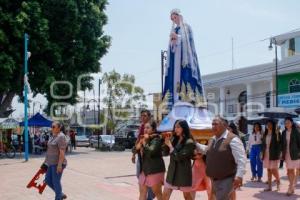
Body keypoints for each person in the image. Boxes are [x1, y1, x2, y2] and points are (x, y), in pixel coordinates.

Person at [196, 116, 247, 200]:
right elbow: (206, 150)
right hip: (214, 179)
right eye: (212, 124)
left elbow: (241, 159)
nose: (213, 127)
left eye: (216, 124)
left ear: (224, 125)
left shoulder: (233, 139)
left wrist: (239, 176)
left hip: (227, 179)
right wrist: (196, 144)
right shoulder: (212, 139)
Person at [162, 9, 204, 108]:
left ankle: (188, 97)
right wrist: (173, 41)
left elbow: (188, 42)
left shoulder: (187, 28)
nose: (174, 20)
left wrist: (178, 37)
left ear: (180, 16)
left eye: (175, 17)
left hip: (185, 60)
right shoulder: (174, 29)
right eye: (172, 19)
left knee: (185, 77)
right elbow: (172, 47)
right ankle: (176, 99)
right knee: (175, 78)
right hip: (176, 59)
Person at [163, 120, 196, 200]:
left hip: (183, 174)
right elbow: (165, 153)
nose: (175, 129)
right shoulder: (175, 140)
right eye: (175, 127)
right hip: (171, 173)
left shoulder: (189, 142)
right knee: (165, 196)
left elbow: (179, 157)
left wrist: (170, 146)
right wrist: (166, 142)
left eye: (178, 127)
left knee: (187, 196)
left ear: (184, 128)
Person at [135, 121, 165, 200]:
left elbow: (151, 152)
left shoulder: (156, 140)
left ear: (154, 129)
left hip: (154, 170)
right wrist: (137, 147)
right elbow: (134, 150)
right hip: (144, 171)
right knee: (142, 193)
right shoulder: (143, 138)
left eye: (148, 128)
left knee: (158, 194)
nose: (145, 129)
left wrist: (144, 143)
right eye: (145, 127)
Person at [132, 110, 155, 200]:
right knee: (139, 175)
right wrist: (134, 154)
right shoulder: (141, 127)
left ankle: (150, 196)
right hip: (140, 155)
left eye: (144, 116)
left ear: (149, 117)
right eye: (141, 116)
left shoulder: (152, 127)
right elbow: (138, 140)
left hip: (149, 156)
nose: (142, 117)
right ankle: (145, 195)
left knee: (148, 177)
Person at [44, 121, 67, 200]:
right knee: (47, 180)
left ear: (59, 128)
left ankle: (58, 197)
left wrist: (60, 165)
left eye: (53, 127)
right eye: (51, 126)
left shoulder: (61, 137)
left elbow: (62, 151)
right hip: (50, 163)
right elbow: (49, 150)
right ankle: (60, 193)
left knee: (56, 182)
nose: (52, 128)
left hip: (57, 163)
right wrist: (45, 162)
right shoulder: (52, 136)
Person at [281, 117, 300, 196]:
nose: (287, 124)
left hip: (296, 153)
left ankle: (292, 186)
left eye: (288, 122)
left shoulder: (296, 132)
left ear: (292, 123)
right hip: (287, 154)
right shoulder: (284, 132)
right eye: (285, 123)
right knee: (289, 171)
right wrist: (282, 153)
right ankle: (291, 187)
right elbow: (282, 144)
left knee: (297, 170)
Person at [262, 120, 281, 192]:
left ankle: (278, 181)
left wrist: (277, 134)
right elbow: (263, 144)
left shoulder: (277, 133)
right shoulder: (265, 133)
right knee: (268, 169)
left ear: (273, 125)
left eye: (270, 124)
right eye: (267, 124)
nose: (268, 126)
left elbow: (279, 143)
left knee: (274, 169)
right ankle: (269, 187)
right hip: (266, 153)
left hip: (273, 153)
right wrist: (262, 152)